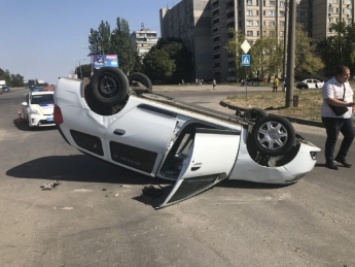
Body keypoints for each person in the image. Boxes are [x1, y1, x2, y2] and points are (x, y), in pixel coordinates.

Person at [321, 65, 355, 170]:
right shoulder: (329, 85)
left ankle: (341, 157)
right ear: (338, 75)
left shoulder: (346, 83)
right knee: (332, 138)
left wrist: (353, 107)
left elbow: (350, 95)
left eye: (349, 74)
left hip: (346, 116)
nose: (347, 77)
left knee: (350, 135)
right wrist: (347, 104)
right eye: (345, 75)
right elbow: (329, 100)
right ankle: (329, 161)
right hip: (331, 117)